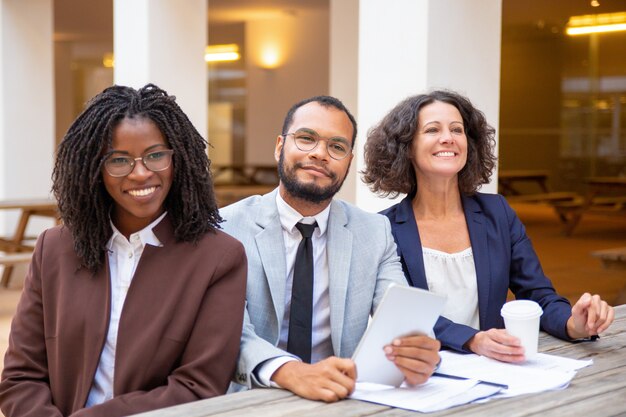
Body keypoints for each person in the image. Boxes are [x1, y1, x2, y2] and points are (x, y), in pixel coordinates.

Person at [0, 84, 247, 416]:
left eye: (156, 155)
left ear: (179, 159)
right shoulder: (54, 249)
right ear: (94, 169)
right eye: (119, 160)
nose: (141, 173)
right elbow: (21, 378)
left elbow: (198, 387)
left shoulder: (218, 258)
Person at [362, 89, 615, 363]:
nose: (448, 138)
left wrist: (573, 324)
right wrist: (472, 340)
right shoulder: (384, 228)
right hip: (424, 375)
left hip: (493, 370)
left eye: (457, 130)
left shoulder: (497, 212)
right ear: (407, 147)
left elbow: (536, 293)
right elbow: (403, 316)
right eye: (432, 130)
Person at [220, 96, 441, 402]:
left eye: (336, 147)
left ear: (349, 162)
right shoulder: (226, 228)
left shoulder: (374, 232)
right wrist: (292, 372)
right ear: (279, 146)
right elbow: (226, 331)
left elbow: (399, 316)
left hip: (341, 398)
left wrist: (418, 350)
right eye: (306, 138)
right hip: (252, 398)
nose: (320, 154)